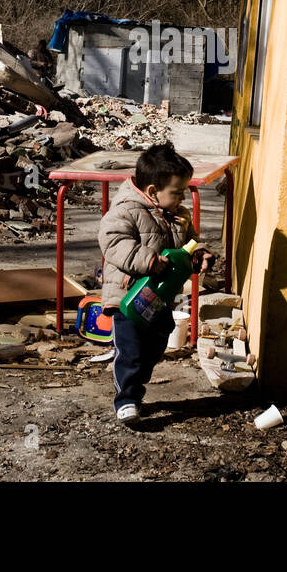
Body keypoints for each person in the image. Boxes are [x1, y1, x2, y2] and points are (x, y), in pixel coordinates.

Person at [97, 141, 214, 428]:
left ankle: (136, 379)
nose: (181, 198)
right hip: (128, 295)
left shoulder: (176, 214)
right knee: (132, 350)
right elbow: (112, 242)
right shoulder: (126, 210)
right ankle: (127, 399)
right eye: (176, 192)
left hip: (158, 297)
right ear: (152, 191)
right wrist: (147, 260)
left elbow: (187, 243)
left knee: (160, 338)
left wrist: (197, 254)